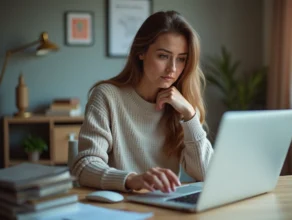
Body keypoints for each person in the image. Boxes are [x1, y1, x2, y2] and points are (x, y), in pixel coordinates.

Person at [71, 10, 213, 193]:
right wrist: (132, 179)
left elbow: (207, 175)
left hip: (165, 206)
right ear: (141, 52)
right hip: (120, 206)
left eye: (181, 59)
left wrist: (190, 115)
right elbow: (84, 166)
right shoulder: (107, 96)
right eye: (163, 56)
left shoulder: (184, 106)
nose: (172, 68)